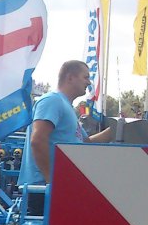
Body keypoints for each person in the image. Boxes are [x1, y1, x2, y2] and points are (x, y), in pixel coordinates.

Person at [18, 60, 114, 188]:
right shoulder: (52, 101)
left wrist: (117, 129)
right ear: (70, 78)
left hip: (60, 184)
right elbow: (38, 140)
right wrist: (51, 181)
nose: (88, 82)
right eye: (85, 77)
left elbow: (85, 142)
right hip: (42, 187)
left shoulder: (66, 106)